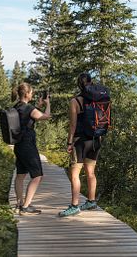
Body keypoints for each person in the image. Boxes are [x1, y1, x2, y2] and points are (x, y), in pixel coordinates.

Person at [59, 73, 102, 217]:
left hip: (80, 141)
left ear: (79, 84)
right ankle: (91, 201)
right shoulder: (98, 100)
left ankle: (74, 205)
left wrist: (69, 142)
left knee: (75, 173)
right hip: (95, 140)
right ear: (91, 83)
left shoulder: (75, 102)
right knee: (90, 172)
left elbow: (73, 125)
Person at [11, 82, 51, 215]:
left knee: (20, 175)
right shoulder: (28, 109)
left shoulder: (17, 107)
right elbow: (46, 116)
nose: (32, 94)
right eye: (32, 92)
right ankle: (26, 207)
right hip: (28, 145)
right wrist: (47, 104)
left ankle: (19, 204)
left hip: (18, 146)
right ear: (27, 94)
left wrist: (38, 106)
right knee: (37, 176)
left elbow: (28, 116)